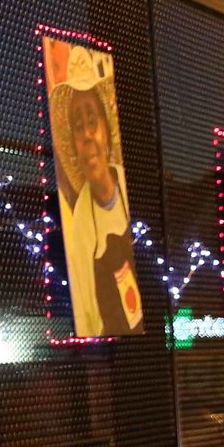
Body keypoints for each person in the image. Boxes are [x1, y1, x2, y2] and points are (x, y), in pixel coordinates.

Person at [52, 69, 145, 336]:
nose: (87, 135)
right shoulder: (81, 222)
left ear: (105, 127)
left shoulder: (130, 190)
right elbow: (87, 316)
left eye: (92, 121)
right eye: (78, 127)